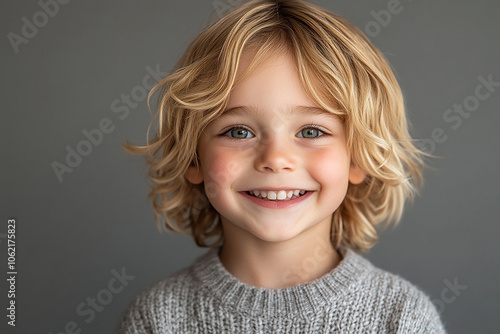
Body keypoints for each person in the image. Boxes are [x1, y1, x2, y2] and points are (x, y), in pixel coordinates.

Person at [118, 0, 446, 332]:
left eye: (311, 131)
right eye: (239, 131)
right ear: (193, 158)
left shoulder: (402, 317)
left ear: (358, 158)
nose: (275, 159)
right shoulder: (158, 318)